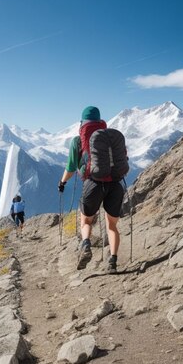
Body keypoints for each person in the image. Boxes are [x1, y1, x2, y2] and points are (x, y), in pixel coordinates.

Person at [58, 106, 125, 273]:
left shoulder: (78, 141)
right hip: (116, 185)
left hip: (93, 184)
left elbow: (71, 167)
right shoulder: (110, 138)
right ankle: (113, 262)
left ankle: (86, 244)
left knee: (86, 221)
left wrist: (62, 182)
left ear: (82, 123)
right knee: (112, 226)